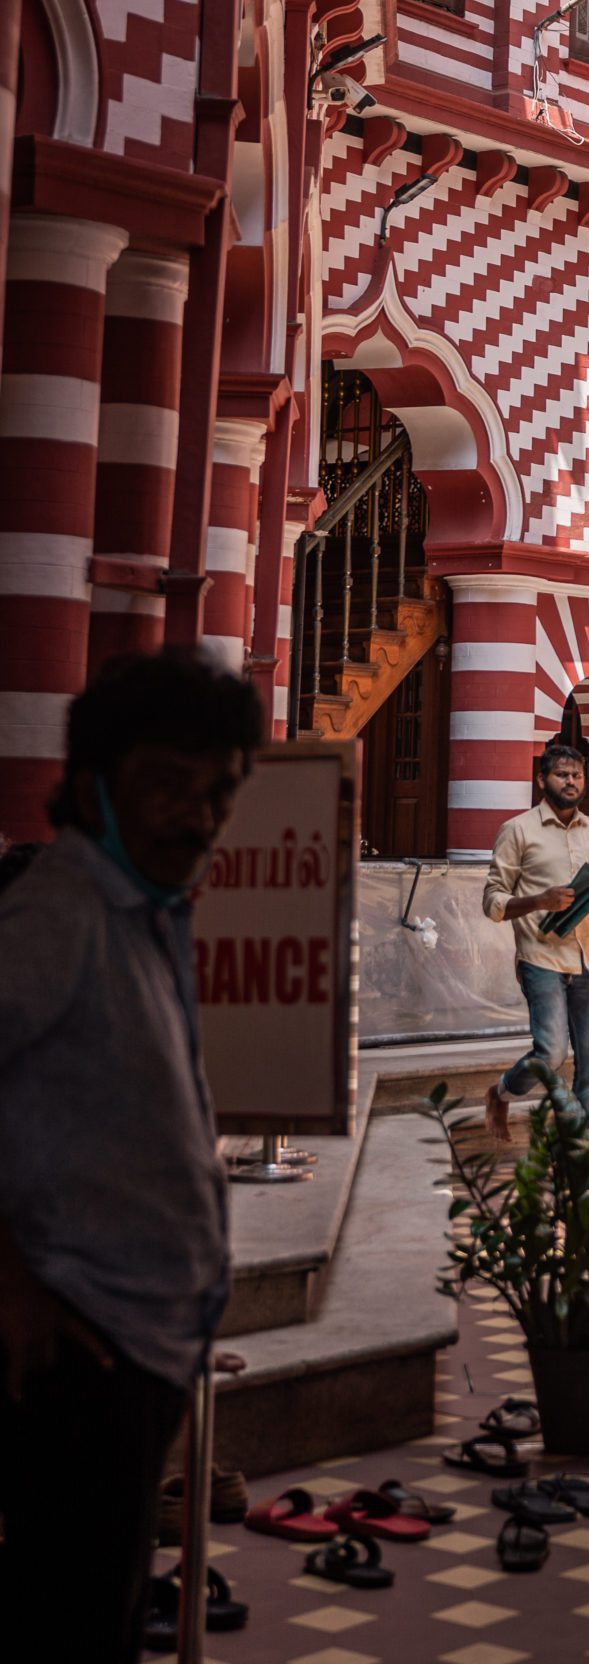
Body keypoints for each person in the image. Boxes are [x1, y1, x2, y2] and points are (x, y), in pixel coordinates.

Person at [0, 646, 265, 1661]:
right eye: (167, 784)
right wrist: (11, 1282)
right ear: (93, 782)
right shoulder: (59, 912)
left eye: (220, 791)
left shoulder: (140, 908)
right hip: (78, 1356)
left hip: (140, 1344)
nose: (196, 816)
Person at [483, 739, 589, 1140]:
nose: (571, 781)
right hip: (541, 958)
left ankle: (574, 1152)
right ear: (541, 779)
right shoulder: (517, 830)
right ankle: (500, 1092)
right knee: (550, 1053)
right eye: (562, 774)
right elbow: (492, 900)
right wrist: (537, 901)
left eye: (577, 775)